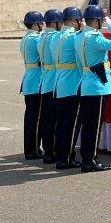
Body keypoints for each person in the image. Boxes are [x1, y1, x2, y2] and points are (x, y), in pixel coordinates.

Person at [76, 5, 111, 172]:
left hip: (86, 83)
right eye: (101, 20)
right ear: (95, 20)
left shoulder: (79, 36)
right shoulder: (94, 37)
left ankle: (86, 158)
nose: (102, 23)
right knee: (94, 126)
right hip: (97, 86)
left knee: (88, 124)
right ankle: (90, 161)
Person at [52, 6, 85, 170]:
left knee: (62, 123)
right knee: (71, 124)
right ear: (74, 21)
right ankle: (67, 158)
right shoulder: (74, 37)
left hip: (59, 82)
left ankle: (61, 156)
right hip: (72, 83)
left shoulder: (55, 36)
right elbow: (81, 61)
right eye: (80, 20)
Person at [36, 9, 63, 163]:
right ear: (55, 22)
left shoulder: (42, 37)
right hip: (54, 81)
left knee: (47, 120)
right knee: (56, 120)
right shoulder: (55, 37)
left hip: (45, 80)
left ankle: (48, 151)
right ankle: (54, 150)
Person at [19, 11, 46, 161]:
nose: (42, 25)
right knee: (36, 118)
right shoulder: (36, 39)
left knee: (31, 117)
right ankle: (33, 150)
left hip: (29, 78)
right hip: (37, 80)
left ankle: (31, 149)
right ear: (35, 24)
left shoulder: (26, 38)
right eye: (41, 23)